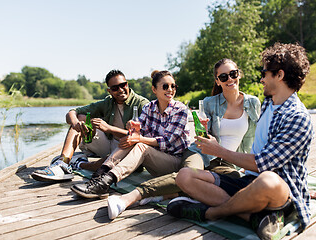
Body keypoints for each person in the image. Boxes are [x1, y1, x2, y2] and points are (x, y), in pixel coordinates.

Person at [167, 43, 314, 240]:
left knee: (266, 180)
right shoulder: (269, 103)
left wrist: (219, 150)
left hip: (279, 190)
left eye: (264, 73)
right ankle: (251, 216)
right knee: (184, 176)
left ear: (279, 75)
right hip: (248, 180)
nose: (261, 79)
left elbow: (263, 164)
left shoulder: (297, 117)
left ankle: (210, 213)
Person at [104, 58, 261, 220]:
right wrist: (204, 130)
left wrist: (245, 164)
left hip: (228, 162)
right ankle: (128, 198)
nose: (230, 79)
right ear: (217, 81)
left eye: (233, 74)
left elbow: (256, 137)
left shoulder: (253, 103)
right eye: (223, 77)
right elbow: (201, 132)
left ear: (239, 74)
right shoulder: (208, 103)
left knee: (235, 185)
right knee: (189, 174)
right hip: (201, 152)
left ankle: (166, 195)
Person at [70, 70, 191, 209]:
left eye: (173, 86)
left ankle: (106, 182)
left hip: (174, 163)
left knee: (139, 144)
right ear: (154, 89)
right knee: (130, 139)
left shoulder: (180, 109)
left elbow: (167, 141)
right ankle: (100, 174)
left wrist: (138, 138)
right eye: (165, 86)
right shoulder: (148, 107)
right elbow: (139, 134)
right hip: (154, 163)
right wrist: (133, 130)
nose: (170, 90)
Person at [31, 70, 149, 182]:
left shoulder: (142, 104)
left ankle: (78, 163)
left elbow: (144, 138)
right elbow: (72, 112)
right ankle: (63, 163)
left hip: (128, 147)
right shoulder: (108, 102)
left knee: (103, 166)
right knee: (81, 117)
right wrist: (76, 124)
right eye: (115, 88)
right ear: (109, 91)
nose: (120, 90)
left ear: (127, 84)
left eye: (123, 85)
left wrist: (109, 128)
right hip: (109, 141)